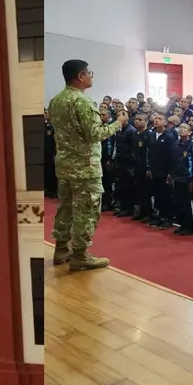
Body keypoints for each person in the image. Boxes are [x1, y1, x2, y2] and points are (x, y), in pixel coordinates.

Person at [49, 59, 127, 271]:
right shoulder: (82, 102)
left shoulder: (56, 100)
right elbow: (95, 134)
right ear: (81, 76)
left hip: (65, 165)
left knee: (65, 208)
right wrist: (117, 124)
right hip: (85, 167)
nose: (92, 76)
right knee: (86, 210)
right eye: (89, 72)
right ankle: (80, 255)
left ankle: (61, 248)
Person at [147, 113, 178, 230]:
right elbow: (149, 154)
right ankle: (159, 216)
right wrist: (149, 168)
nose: (156, 121)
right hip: (155, 170)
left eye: (160, 119)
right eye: (155, 119)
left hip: (165, 171)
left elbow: (172, 156)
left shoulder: (169, 137)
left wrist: (171, 172)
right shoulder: (152, 135)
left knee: (167, 196)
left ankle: (168, 218)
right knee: (157, 195)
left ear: (165, 123)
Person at [168, 124, 193, 236]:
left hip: (187, 178)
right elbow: (172, 160)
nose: (181, 129)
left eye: (184, 128)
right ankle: (182, 224)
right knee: (177, 201)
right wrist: (171, 174)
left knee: (187, 203)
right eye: (180, 127)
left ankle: (190, 226)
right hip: (177, 177)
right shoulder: (176, 144)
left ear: (190, 132)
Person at [112, 109, 138, 218]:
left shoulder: (131, 130)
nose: (120, 117)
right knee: (121, 185)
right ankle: (122, 207)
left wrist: (132, 165)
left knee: (128, 186)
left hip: (128, 162)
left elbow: (134, 148)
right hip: (120, 160)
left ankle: (128, 209)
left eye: (123, 115)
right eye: (118, 115)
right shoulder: (119, 129)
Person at [132, 113, 155, 222]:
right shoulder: (136, 134)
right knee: (139, 190)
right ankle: (141, 212)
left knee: (147, 192)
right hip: (137, 166)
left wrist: (149, 168)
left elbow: (150, 153)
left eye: (140, 120)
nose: (136, 121)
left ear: (146, 122)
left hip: (146, 168)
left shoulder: (149, 135)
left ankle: (149, 213)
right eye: (136, 119)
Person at [43, 109, 57, 198]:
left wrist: (55, 153)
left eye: (47, 113)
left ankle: (53, 190)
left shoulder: (54, 127)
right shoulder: (45, 126)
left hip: (52, 152)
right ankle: (48, 189)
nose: (45, 115)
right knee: (47, 171)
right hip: (45, 152)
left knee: (52, 172)